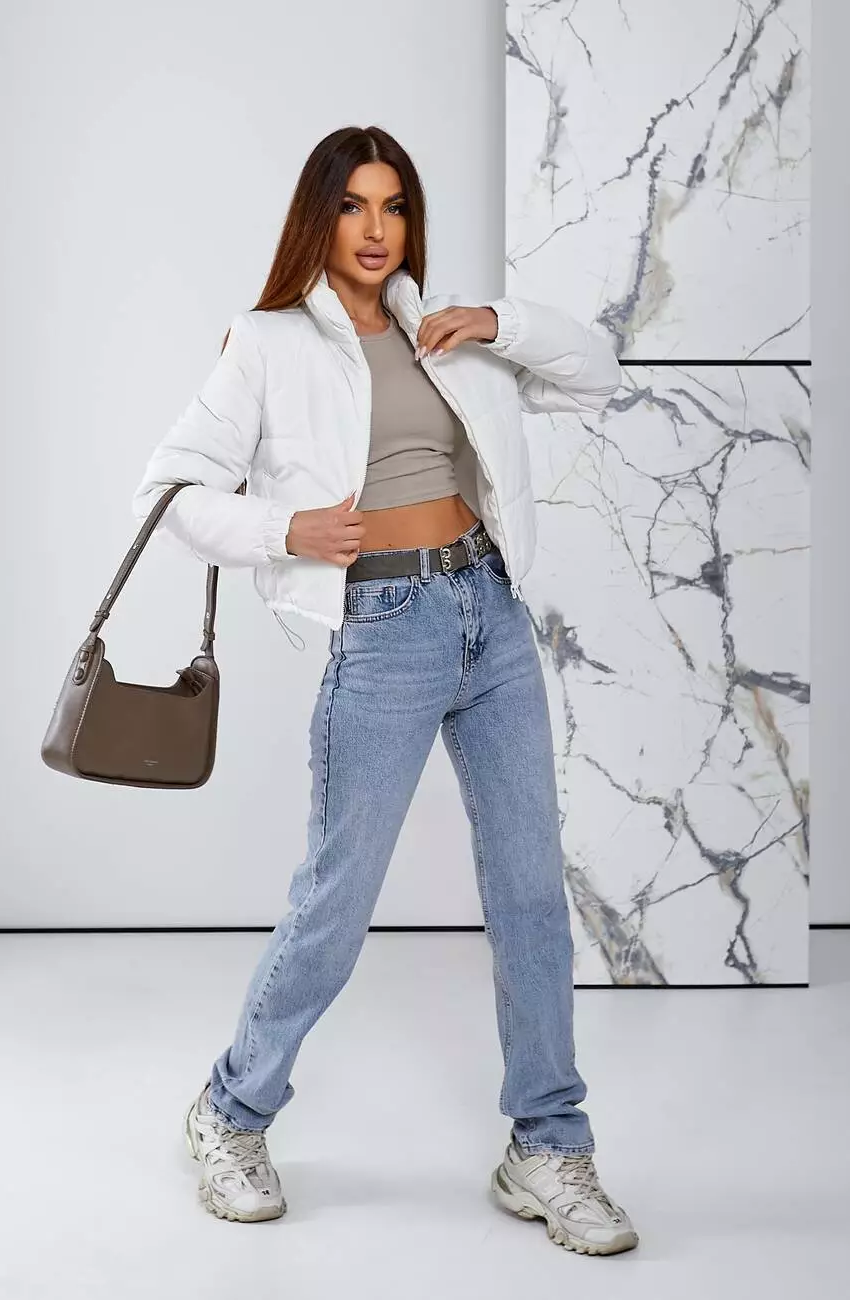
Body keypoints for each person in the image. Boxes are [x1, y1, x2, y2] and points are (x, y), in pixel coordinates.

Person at [131, 125, 638, 1256]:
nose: (375, 229)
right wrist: (285, 529)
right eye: (354, 205)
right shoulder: (267, 342)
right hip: (382, 629)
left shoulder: (448, 329)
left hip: (490, 613)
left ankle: (548, 1144)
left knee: (529, 895)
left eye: (394, 205)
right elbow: (165, 492)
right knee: (337, 898)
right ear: (319, 217)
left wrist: (500, 321)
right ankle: (230, 1111)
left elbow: (601, 373)